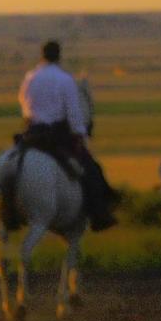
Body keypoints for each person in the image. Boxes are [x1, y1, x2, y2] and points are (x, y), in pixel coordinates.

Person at [18, 40, 115, 230]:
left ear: (42, 55)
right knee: (91, 168)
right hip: (56, 134)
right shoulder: (65, 79)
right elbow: (73, 111)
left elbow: (23, 101)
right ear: (58, 56)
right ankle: (99, 214)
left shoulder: (30, 77)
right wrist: (80, 133)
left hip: (32, 132)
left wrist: (33, 116)